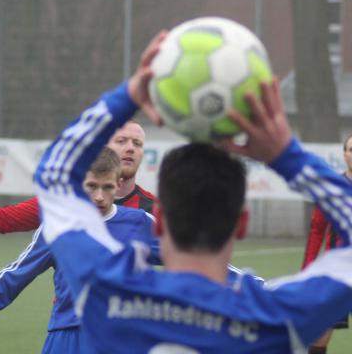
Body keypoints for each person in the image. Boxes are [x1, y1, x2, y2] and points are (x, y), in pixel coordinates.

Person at [34, 31, 352, 352]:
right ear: (241, 224)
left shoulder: (106, 290)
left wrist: (131, 93)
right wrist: (285, 155)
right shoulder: (272, 316)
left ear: (158, 221)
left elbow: (54, 174)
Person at [0, 147, 160, 354]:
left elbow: (185, 257)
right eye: (91, 186)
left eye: (107, 187)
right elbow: (13, 278)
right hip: (66, 336)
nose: (99, 196)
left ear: (119, 183)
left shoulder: (140, 222)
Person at [0, 120, 156, 235]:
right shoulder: (66, 201)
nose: (130, 148)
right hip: (72, 311)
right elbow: (5, 219)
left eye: (137, 144)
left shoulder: (153, 210)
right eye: (121, 141)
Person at [301, 135, 352, 354]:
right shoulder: (331, 189)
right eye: (351, 149)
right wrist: (308, 270)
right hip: (338, 272)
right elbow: (317, 231)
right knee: (321, 334)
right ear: (344, 155)